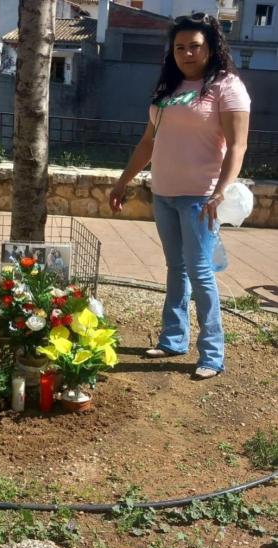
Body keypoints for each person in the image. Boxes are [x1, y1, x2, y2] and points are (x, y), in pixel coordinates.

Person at [109, 12, 249, 380]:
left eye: (195, 46)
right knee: (176, 269)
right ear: (172, 51)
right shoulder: (167, 91)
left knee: (202, 274)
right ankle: (173, 339)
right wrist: (122, 182)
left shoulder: (226, 86)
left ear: (211, 48)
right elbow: (147, 143)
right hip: (165, 194)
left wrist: (221, 191)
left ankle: (213, 354)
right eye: (180, 47)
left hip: (201, 197)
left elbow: (237, 146)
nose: (187, 53)